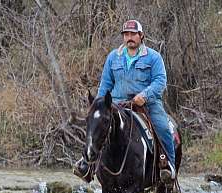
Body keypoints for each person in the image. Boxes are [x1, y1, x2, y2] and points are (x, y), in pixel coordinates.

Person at [74, 19, 176, 182]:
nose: (129, 37)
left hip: (147, 104)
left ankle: (168, 167)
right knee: (97, 125)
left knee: (163, 127)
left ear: (141, 36)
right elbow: (106, 83)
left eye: (133, 34)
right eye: (126, 34)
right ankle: (87, 163)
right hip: (117, 103)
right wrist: (99, 104)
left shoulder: (153, 57)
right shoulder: (114, 57)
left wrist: (145, 95)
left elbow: (160, 81)